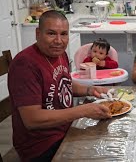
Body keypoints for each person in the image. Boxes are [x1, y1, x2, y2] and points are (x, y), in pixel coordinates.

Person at [8, 10, 112, 162]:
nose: (59, 41)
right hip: (41, 146)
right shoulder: (25, 64)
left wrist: (89, 90)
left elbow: (63, 84)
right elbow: (32, 119)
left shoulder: (59, 54)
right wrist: (83, 110)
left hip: (65, 129)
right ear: (38, 33)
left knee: (108, 142)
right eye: (51, 33)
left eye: (64, 34)